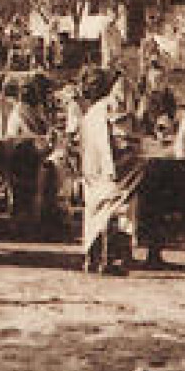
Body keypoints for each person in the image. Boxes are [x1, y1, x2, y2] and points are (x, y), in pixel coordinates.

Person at [78, 68, 139, 275]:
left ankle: (93, 258)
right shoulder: (111, 108)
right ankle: (112, 259)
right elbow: (123, 141)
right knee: (121, 210)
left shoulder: (90, 114)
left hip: (92, 172)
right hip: (112, 172)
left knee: (95, 213)